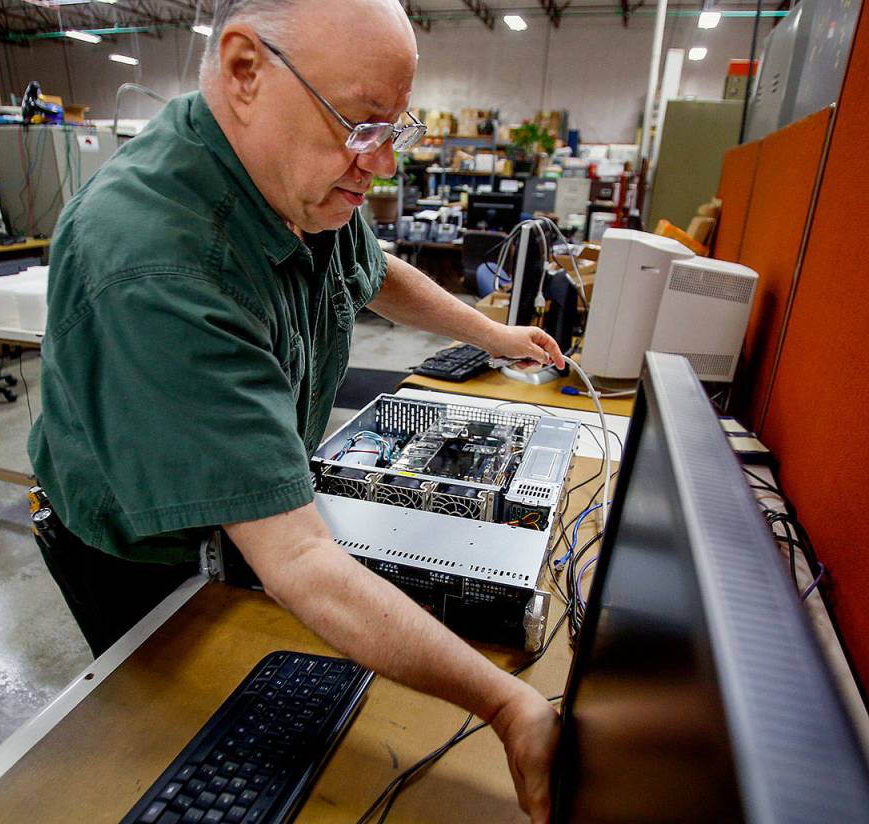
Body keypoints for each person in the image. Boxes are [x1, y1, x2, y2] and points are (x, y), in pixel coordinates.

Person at [29, 0, 566, 819]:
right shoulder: (156, 261)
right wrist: (506, 704)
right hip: (141, 552)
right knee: (171, 756)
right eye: (361, 126)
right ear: (246, 71)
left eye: (396, 130)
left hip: (252, 522)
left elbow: (375, 272)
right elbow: (301, 561)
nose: (380, 164)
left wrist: (493, 333)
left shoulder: (288, 171)